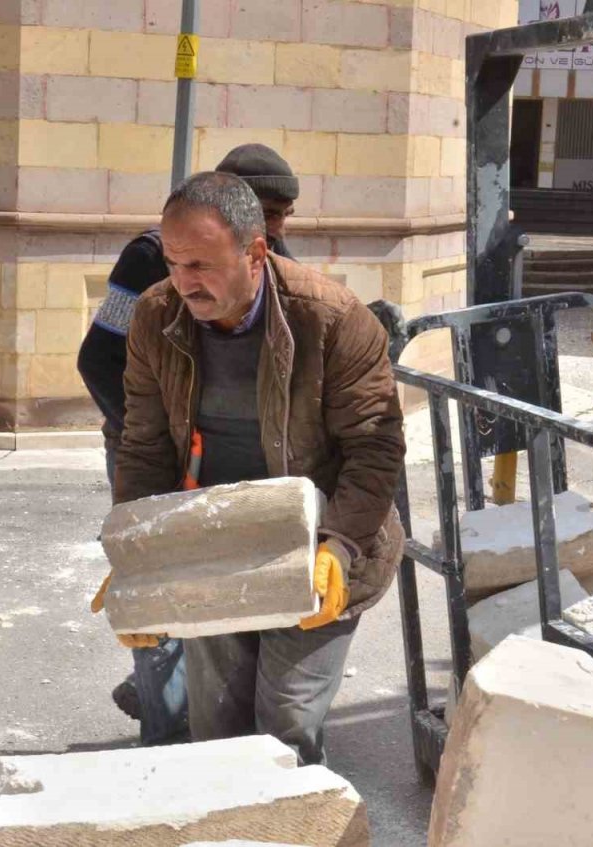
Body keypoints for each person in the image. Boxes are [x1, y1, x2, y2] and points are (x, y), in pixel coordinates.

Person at [98, 171, 406, 766]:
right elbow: (143, 447)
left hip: (319, 545)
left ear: (256, 252)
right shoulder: (155, 317)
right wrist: (137, 558)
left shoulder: (332, 320)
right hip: (216, 542)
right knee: (216, 723)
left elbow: (374, 449)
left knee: (286, 721)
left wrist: (338, 549)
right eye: (174, 263)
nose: (185, 282)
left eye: (203, 265)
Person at [77, 145, 302, 746]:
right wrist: (165, 440)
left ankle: (204, 718)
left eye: (285, 216)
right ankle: (167, 738)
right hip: (148, 446)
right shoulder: (149, 258)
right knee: (162, 598)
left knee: (221, 594)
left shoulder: (266, 257)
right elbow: (98, 359)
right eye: (272, 213)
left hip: (226, 460)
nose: (280, 230)